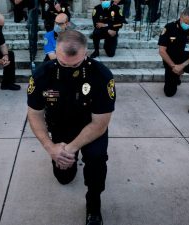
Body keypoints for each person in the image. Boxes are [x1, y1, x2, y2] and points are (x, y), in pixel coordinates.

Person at [27, 30, 116, 225]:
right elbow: (34, 114)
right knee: (64, 177)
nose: (67, 68)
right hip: (60, 127)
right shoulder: (42, 74)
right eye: (62, 62)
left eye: (74, 64)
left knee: (96, 159)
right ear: (55, 51)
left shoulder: (101, 76)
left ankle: (93, 204)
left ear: (86, 53)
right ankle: (66, 163)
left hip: (91, 128)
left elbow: (100, 123)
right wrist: (52, 148)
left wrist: (69, 149)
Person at [158, 7, 189, 115]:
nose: (188, 25)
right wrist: (174, 66)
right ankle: (176, 77)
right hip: (172, 63)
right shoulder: (169, 27)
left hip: (188, 62)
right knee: (169, 93)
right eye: (186, 22)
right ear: (181, 16)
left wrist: (183, 65)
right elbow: (162, 51)